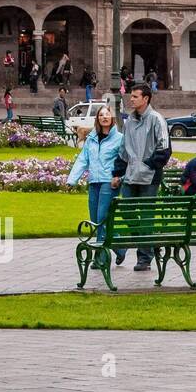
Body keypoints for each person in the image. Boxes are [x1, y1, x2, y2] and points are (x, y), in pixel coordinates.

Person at [111, 83, 172, 271]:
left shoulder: (156, 119)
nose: (131, 99)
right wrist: (118, 173)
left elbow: (164, 149)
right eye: (131, 96)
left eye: (135, 96)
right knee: (126, 211)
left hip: (149, 177)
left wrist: (147, 165)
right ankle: (148, 241)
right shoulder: (129, 121)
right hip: (130, 176)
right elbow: (123, 150)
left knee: (147, 217)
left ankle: (144, 258)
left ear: (145, 99)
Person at [66, 105, 123, 270]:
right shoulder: (91, 138)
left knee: (101, 219)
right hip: (94, 182)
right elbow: (83, 159)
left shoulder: (119, 138)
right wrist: (72, 180)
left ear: (112, 118)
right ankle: (120, 247)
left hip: (109, 182)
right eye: (101, 115)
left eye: (107, 114)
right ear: (97, 119)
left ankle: (100, 258)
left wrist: (119, 177)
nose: (104, 117)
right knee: (95, 219)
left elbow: (125, 160)